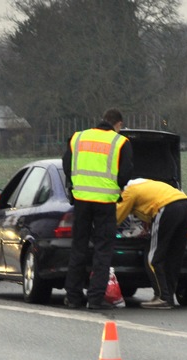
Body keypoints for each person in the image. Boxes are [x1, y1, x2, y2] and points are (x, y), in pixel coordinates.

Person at [62, 108, 133, 310]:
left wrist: (77, 184)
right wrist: (115, 188)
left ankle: (73, 297)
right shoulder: (120, 142)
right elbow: (126, 172)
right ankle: (95, 299)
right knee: (102, 250)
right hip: (105, 203)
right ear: (118, 124)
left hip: (82, 200)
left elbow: (67, 165)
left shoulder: (78, 137)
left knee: (79, 248)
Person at [116, 178, 187, 309]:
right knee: (173, 256)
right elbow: (147, 210)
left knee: (153, 258)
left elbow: (117, 216)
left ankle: (162, 297)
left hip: (167, 208)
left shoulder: (130, 191)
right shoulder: (147, 185)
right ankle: (168, 296)